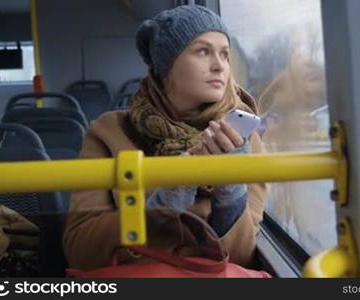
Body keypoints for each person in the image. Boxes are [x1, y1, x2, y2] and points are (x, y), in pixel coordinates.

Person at [63, 5, 267, 270]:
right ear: (166, 65)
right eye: (203, 51)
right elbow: (81, 250)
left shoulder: (243, 139)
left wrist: (230, 191)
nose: (219, 66)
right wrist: (165, 201)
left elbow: (241, 258)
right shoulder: (108, 132)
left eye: (225, 55)